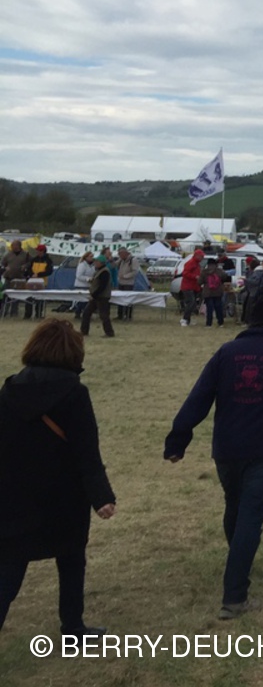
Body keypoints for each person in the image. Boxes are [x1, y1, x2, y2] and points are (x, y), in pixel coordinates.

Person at [163, 296, 263, 620]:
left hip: (227, 446)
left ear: (247, 319)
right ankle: (234, 596)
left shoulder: (227, 352)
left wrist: (178, 439)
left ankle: (238, 562)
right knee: (250, 517)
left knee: (235, 505)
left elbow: (199, 396)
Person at [0, 320, 116, 636]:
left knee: (8, 568)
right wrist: (102, 497)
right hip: (63, 494)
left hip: (13, 493)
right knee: (71, 558)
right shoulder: (75, 394)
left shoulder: (10, 389)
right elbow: (86, 450)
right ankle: (73, 626)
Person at [80, 254, 115, 338]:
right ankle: (84, 331)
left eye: (96, 261)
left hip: (102, 297)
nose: (95, 263)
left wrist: (94, 295)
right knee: (86, 313)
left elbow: (102, 286)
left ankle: (109, 333)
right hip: (96, 297)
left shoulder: (104, 272)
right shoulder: (99, 271)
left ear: (101, 263)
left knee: (104, 316)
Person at [178, 249, 205, 326]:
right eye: (201, 256)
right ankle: (184, 319)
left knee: (192, 304)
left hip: (193, 287)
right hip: (187, 287)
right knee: (191, 303)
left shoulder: (196, 264)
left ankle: (187, 320)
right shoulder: (191, 263)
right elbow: (185, 273)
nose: (202, 258)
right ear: (196, 255)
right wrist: (195, 276)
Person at [113, 246, 140, 321]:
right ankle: (120, 315)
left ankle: (128, 315)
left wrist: (125, 276)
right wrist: (111, 260)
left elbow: (135, 272)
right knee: (120, 299)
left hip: (129, 284)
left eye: (120, 254)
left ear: (125, 253)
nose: (119, 256)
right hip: (121, 283)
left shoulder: (133, 260)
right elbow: (114, 265)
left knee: (128, 300)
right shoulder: (121, 260)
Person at [202, 257, 227, 328]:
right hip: (218, 292)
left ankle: (209, 324)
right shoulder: (219, 271)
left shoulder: (204, 272)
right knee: (218, 307)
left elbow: (200, 281)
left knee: (209, 308)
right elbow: (225, 277)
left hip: (208, 292)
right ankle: (220, 323)